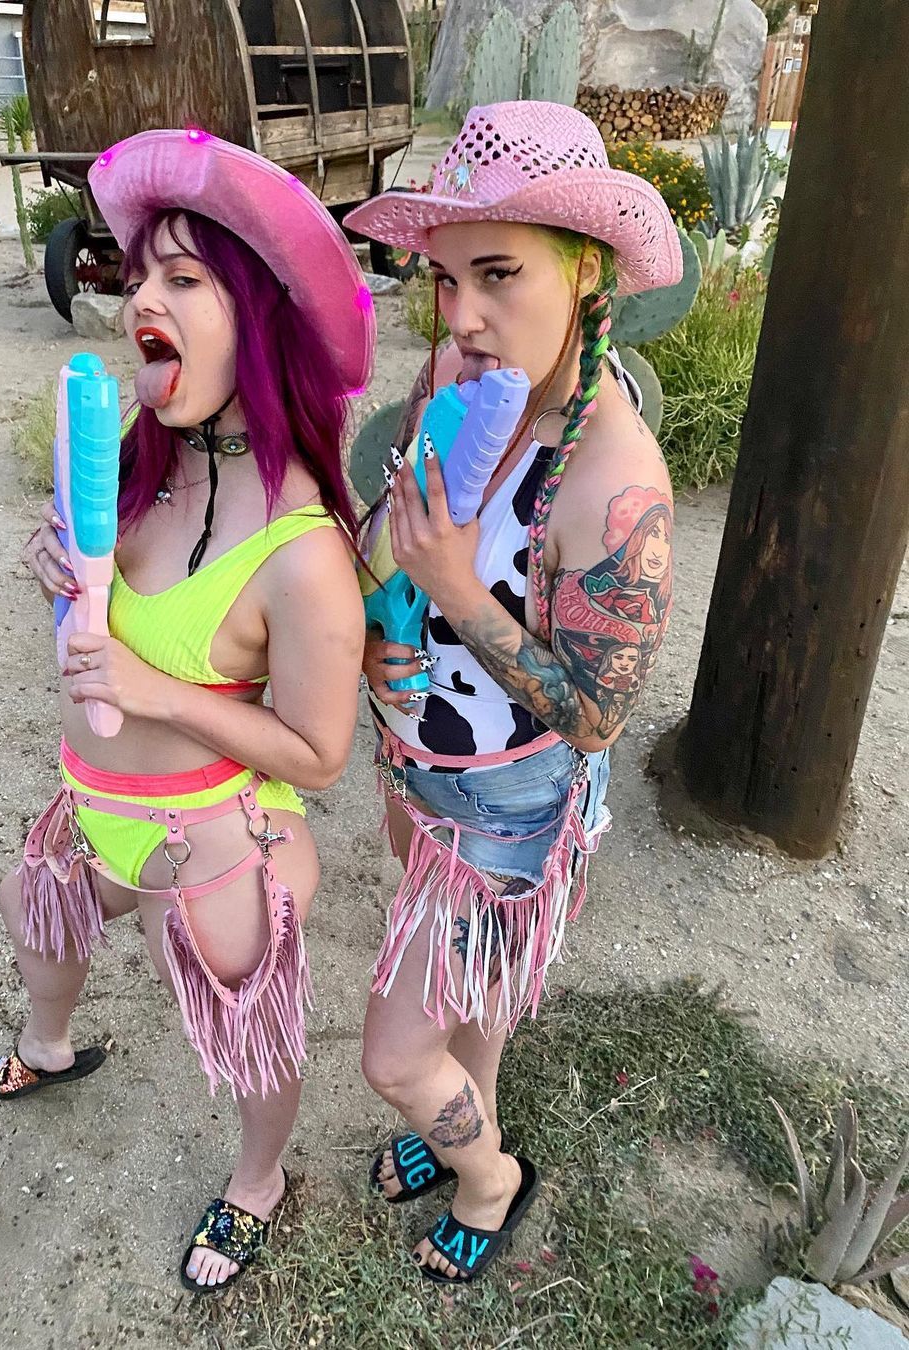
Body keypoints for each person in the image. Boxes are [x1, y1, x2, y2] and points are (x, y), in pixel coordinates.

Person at [0, 128, 373, 1295]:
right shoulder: (140, 465)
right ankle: (50, 1045)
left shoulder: (302, 551)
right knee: (35, 909)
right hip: (94, 800)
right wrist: (63, 576)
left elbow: (321, 754)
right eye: (137, 274)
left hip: (209, 833)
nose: (139, 299)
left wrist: (158, 691)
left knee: (234, 1002)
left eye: (185, 279)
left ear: (259, 317)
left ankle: (259, 1179)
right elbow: (98, 620)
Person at [343, 101, 679, 1284]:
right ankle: (465, 1119)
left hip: (507, 808)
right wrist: (378, 625)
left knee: (395, 1055)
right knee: (470, 995)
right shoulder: (454, 373)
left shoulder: (614, 484)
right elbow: (400, 523)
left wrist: (455, 588)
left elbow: (593, 714)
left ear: (586, 273)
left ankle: (488, 1177)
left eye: (498, 275)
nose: (463, 318)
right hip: (416, 767)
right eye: (445, 279)